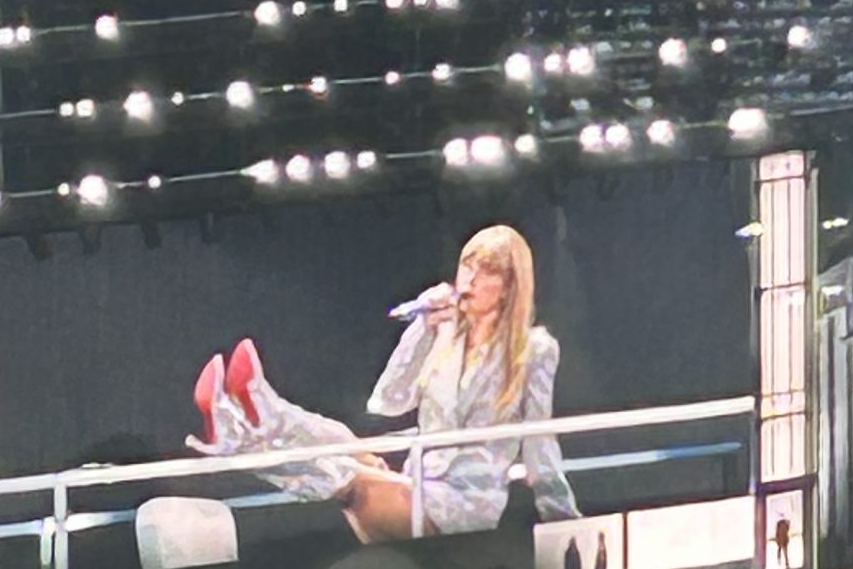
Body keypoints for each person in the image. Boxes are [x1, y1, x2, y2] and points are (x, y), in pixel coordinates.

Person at [188, 225, 580, 542]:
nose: (471, 279)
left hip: (464, 507)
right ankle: (262, 413)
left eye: (487, 270)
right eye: (467, 266)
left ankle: (242, 439)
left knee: (349, 479)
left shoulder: (534, 350)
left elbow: (540, 441)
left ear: (511, 285)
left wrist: (561, 518)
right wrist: (422, 330)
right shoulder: (446, 336)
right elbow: (388, 401)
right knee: (346, 441)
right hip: (417, 481)